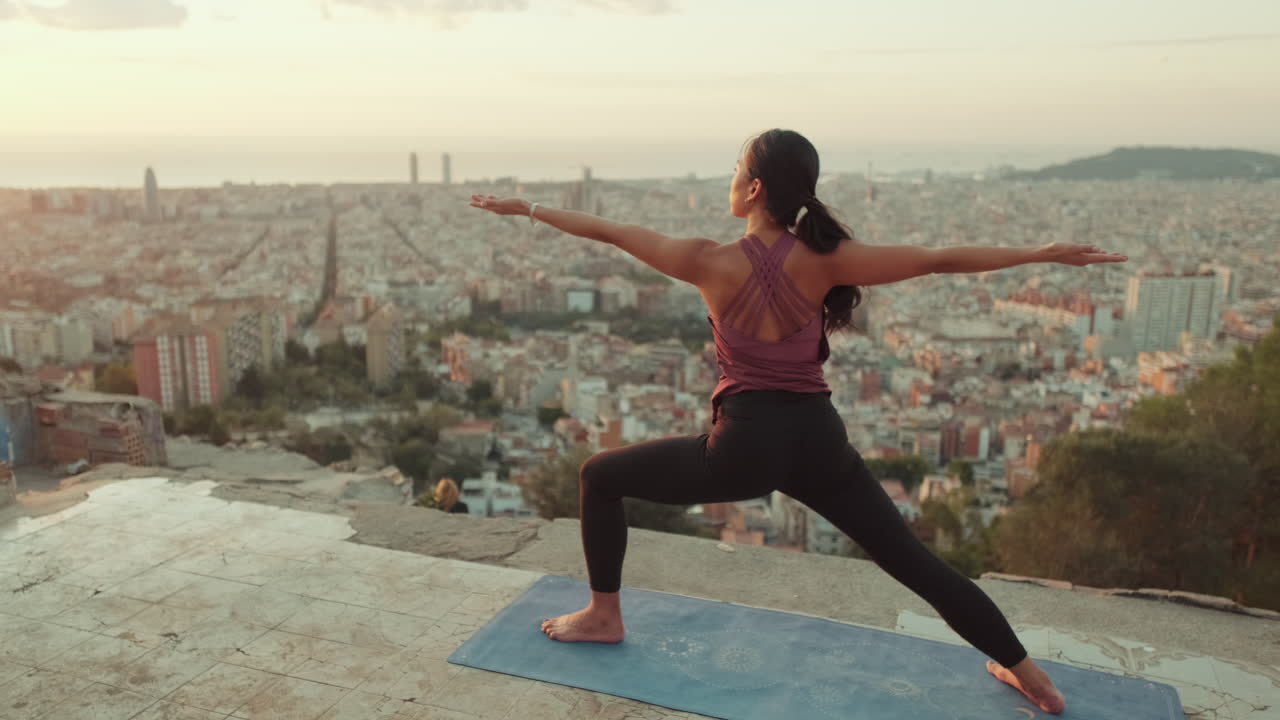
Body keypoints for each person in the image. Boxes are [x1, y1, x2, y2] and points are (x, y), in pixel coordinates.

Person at [469, 129, 1126, 715]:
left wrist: (526, 209)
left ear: (754, 188)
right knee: (913, 562)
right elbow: (936, 258)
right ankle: (1030, 675)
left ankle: (604, 615)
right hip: (819, 440)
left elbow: (609, 230)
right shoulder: (828, 259)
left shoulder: (706, 261)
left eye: (734, 169)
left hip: (743, 446)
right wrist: (1040, 253)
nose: (727, 179)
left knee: (599, 476)